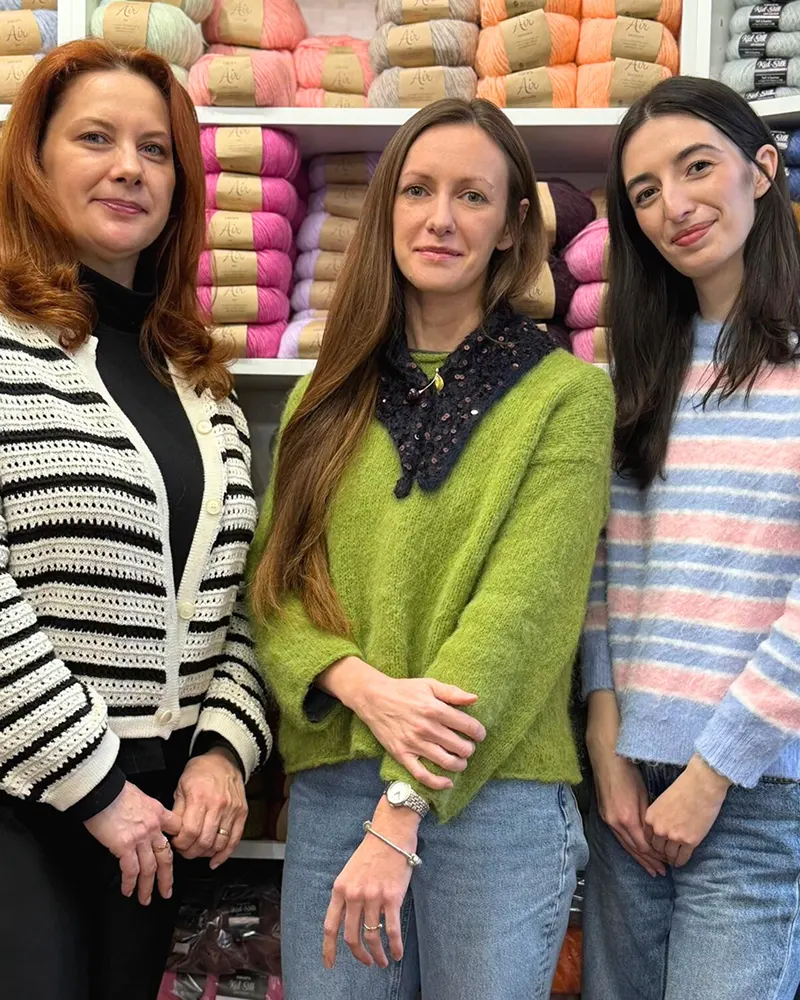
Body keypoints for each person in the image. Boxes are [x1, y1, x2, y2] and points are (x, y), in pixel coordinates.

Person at [249, 97, 614, 1000]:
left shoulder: (567, 398)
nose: (440, 218)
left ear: (512, 225)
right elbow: (276, 589)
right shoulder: (321, 397)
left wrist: (402, 806)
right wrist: (362, 685)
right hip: (336, 783)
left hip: (494, 794)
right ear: (387, 209)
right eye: (417, 190)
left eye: (472, 196)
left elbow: (523, 616)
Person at [0, 40, 272, 1000]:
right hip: (24, 797)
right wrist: (98, 786)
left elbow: (247, 601)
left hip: (156, 819)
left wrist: (223, 751)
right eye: (95, 138)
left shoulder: (203, 383)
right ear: (33, 163)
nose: (129, 168)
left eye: (155, 149)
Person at [581, 76, 800, 1000]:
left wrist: (712, 774)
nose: (673, 205)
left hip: (752, 789)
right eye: (644, 191)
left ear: (763, 168)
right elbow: (601, 568)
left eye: (696, 167)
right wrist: (605, 744)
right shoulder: (632, 369)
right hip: (627, 787)